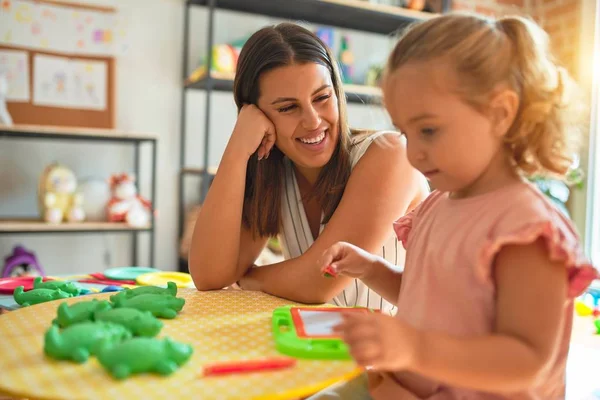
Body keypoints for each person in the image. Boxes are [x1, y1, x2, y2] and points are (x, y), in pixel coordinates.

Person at [312, 12, 599, 399]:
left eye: (428, 130)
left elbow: (527, 359)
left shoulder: (526, 228)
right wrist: (370, 268)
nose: (413, 152)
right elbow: (427, 299)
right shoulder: (436, 206)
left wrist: (414, 347)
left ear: (500, 113)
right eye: (405, 132)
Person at [188, 22, 428, 313]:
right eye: (288, 107)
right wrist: (237, 149)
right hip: (319, 349)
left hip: (398, 351)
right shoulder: (275, 171)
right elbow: (208, 276)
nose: (313, 121)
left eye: (322, 97)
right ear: (258, 115)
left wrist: (249, 276)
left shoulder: (390, 154)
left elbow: (321, 281)